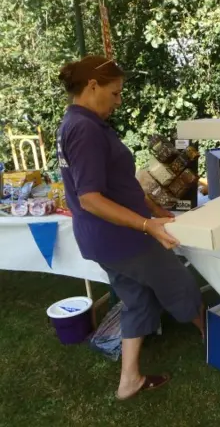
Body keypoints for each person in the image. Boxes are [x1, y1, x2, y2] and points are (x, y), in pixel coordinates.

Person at [56, 55, 203, 401]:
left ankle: (129, 381)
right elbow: (90, 198)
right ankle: (218, 341)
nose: (118, 101)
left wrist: (156, 210)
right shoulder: (85, 129)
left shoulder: (76, 123)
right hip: (122, 238)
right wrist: (147, 224)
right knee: (180, 285)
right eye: (115, 93)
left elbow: (121, 185)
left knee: (136, 301)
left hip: (104, 239)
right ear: (92, 86)